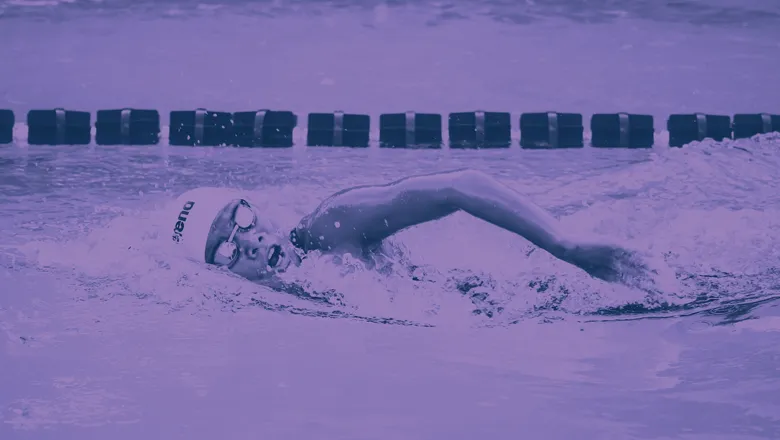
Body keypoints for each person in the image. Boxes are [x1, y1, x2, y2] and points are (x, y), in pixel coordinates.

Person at [163, 169, 652, 286]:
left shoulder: (331, 226)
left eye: (240, 221)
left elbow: (460, 186)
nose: (247, 242)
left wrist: (565, 246)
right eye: (223, 250)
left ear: (254, 207)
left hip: (511, 301)